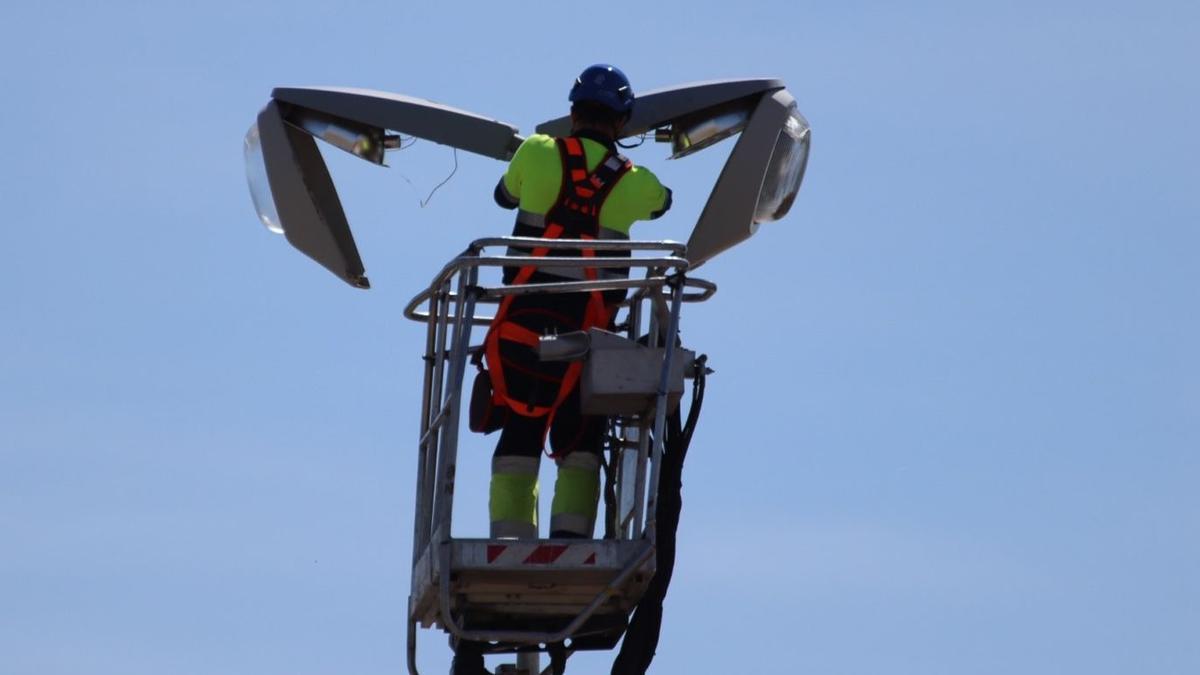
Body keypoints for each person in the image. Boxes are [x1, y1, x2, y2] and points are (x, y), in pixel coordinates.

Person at [483, 64, 673, 540]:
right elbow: (663, 202)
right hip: (589, 341)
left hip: (521, 331)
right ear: (623, 125)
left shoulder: (536, 151)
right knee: (582, 443)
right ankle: (571, 541)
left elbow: (503, 196)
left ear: (571, 113)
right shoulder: (635, 181)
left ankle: (510, 541)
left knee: (519, 434)